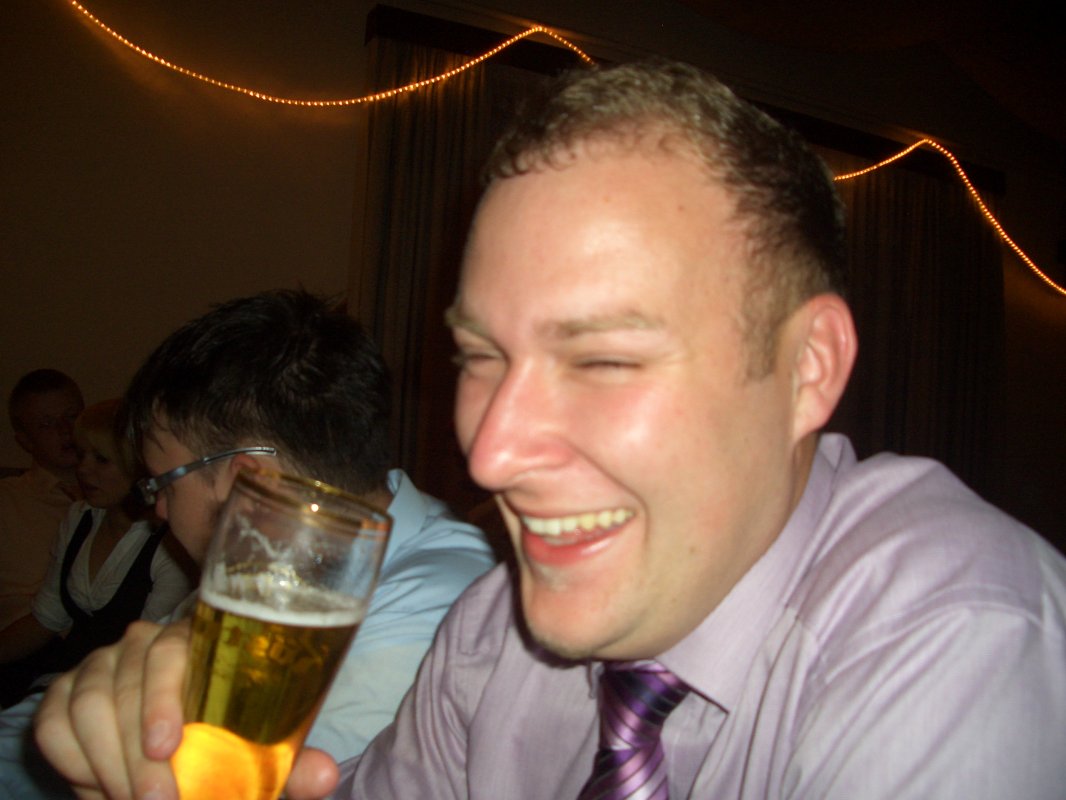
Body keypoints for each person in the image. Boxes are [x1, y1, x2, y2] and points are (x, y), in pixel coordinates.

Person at [37, 60, 1066, 800]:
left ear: (808, 370)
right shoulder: (492, 636)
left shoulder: (956, 632)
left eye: (604, 359)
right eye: (479, 357)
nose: (489, 454)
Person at [14, 290, 495, 799]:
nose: (158, 511)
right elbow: (90, 707)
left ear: (250, 483)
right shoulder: (267, 571)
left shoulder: (442, 613)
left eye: (162, 486)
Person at [0, 397, 196, 698]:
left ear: (139, 467)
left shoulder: (168, 543)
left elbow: (144, 654)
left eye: (101, 459)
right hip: (59, 679)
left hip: (116, 691)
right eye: (81, 455)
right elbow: (46, 619)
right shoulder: (80, 518)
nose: (83, 469)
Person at [0, 370, 84, 632]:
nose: (65, 431)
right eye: (46, 424)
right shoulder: (8, 499)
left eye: (72, 416)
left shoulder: (124, 495)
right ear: (25, 440)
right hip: (27, 639)